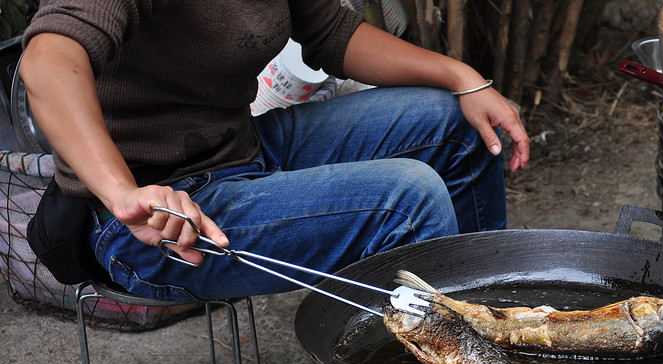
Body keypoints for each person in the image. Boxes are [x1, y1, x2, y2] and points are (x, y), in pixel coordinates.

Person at [19, 0, 530, 302]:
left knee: (453, 122)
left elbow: (331, 31)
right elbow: (47, 60)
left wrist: (463, 78)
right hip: (149, 220)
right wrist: (122, 192)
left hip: (239, 148)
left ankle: (482, 320)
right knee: (408, 199)